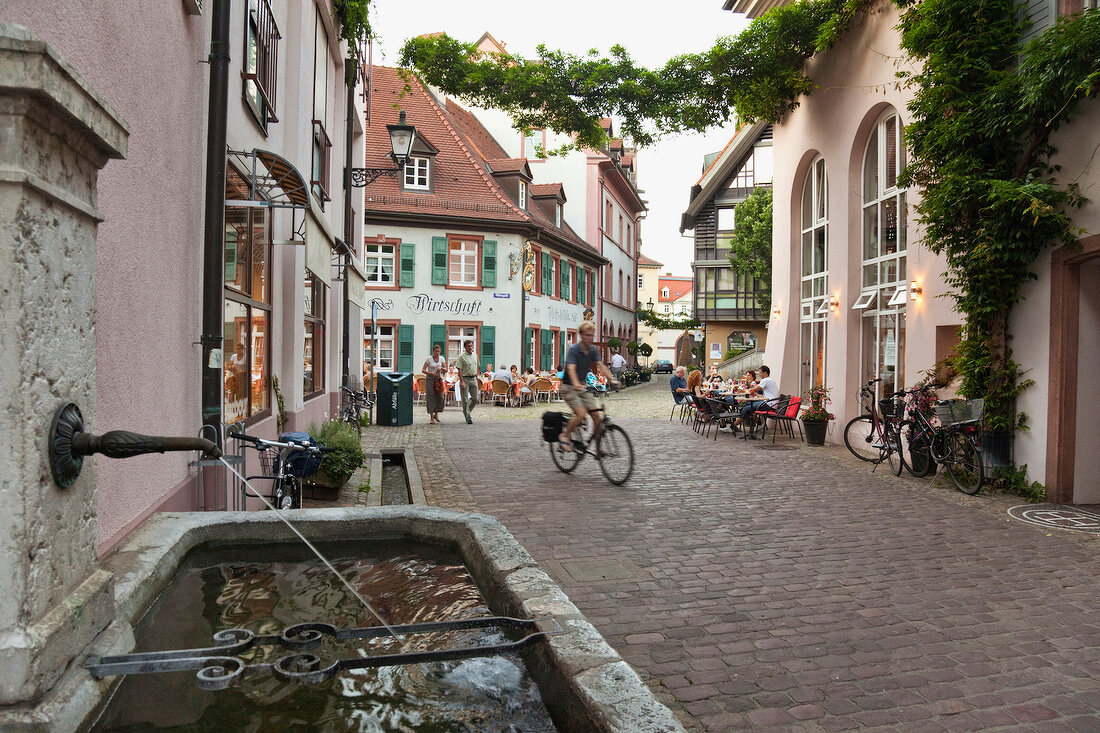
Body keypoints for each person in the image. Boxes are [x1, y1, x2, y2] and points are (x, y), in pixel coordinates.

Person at [559, 321, 619, 451]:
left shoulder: (592, 349)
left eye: (591, 335)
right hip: (569, 387)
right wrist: (576, 383)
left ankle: (598, 448)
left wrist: (611, 379)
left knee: (597, 416)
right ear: (581, 335)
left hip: (582, 387)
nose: (589, 338)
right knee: (581, 415)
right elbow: (571, 368)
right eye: (587, 335)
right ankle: (564, 435)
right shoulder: (574, 350)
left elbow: (600, 365)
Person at [732, 364, 780, 433]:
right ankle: (758, 424)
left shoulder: (766, 380)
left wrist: (743, 391)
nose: (759, 375)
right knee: (747, 404)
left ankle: (733, 426)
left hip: (770, 404)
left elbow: (753, 390)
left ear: (765, 373)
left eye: (760, 373)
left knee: (746, 408)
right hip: (770, 403)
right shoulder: (770, 380)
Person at [455, 339, 480, 425]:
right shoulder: (462, 356)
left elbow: (477, 366)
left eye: (471, 346)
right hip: (465, 379)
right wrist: (461, 381)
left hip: (473, 379)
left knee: (475, 398)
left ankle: (466, 411)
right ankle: (468, 417)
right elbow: (459, 369)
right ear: (465, 347)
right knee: (465, 399)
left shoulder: (475, 355)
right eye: (468, 346)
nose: (470, 348)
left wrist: (478, 377)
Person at [422, 343, 447, 424]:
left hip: (438, 379)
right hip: (430, 380)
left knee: (440, 396)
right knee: (431, 397)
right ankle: (431, 417)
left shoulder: (442, 358)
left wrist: (441, 368)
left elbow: (446, 370)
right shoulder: (428, 359)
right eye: (436, 351)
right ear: (433, 351)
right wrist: (430, 373)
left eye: (439, 351)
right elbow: (423, 370)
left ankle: (436, 413)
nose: (437, 353)